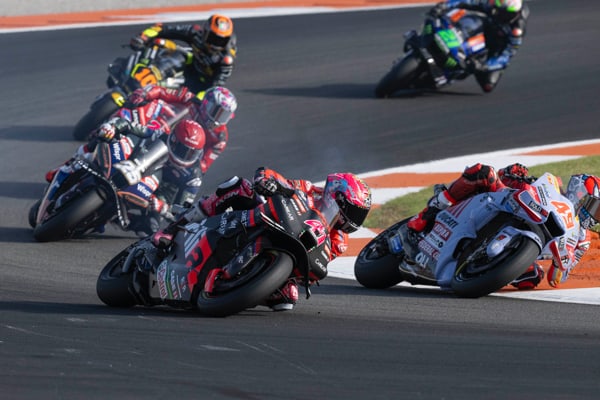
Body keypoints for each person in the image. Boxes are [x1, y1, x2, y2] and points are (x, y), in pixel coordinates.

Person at [152, 167, 373, 311]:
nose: (354, 219)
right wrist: (266, 180)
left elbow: (315, 265)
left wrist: (294, 279)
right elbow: (278, 180)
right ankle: (175, 227)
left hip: (288, 251)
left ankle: (239, 285)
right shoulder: (309, 189)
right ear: (337, 196)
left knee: (287, 299)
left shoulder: (339, 241)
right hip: (265, 218)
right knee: (239, 186)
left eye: (359, 214)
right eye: (354, 211)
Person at [404, 163, 597, 290]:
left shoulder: (582, 239)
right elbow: (507, 177)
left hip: (527, 245)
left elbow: (557, 278)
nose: (596, 216)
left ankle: (484, 267)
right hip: (506, 205)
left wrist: (561, 261)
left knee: (531, 277)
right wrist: (515, 174)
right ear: (580, 192)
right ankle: (428, 213)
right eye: (597, 208)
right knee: (484, 172)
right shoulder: (552, 186)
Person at [428, 0, 529, 92]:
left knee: (488, 86)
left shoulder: (516, 30)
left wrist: (484, 66)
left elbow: (506, 55)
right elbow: (469, 1)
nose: (496, 13)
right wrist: (445, 5)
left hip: (498, 46)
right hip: (487, 26)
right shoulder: (493, 5)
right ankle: (449, 35)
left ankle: (466, 67)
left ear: (514, 14)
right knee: (470, 19)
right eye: (497, 9)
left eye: (503, 12)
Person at [129, 14, 237, 92]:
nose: (215, 44)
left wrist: (200, 100)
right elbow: (164, 29)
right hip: (189, 67)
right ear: (205, 31)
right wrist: (143, 37)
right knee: (174, 50)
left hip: (201, 85)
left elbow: (216, 86)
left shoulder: (226, 59)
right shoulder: (195, 32)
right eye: (213, 38)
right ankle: (145, 77)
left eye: (221, 41)